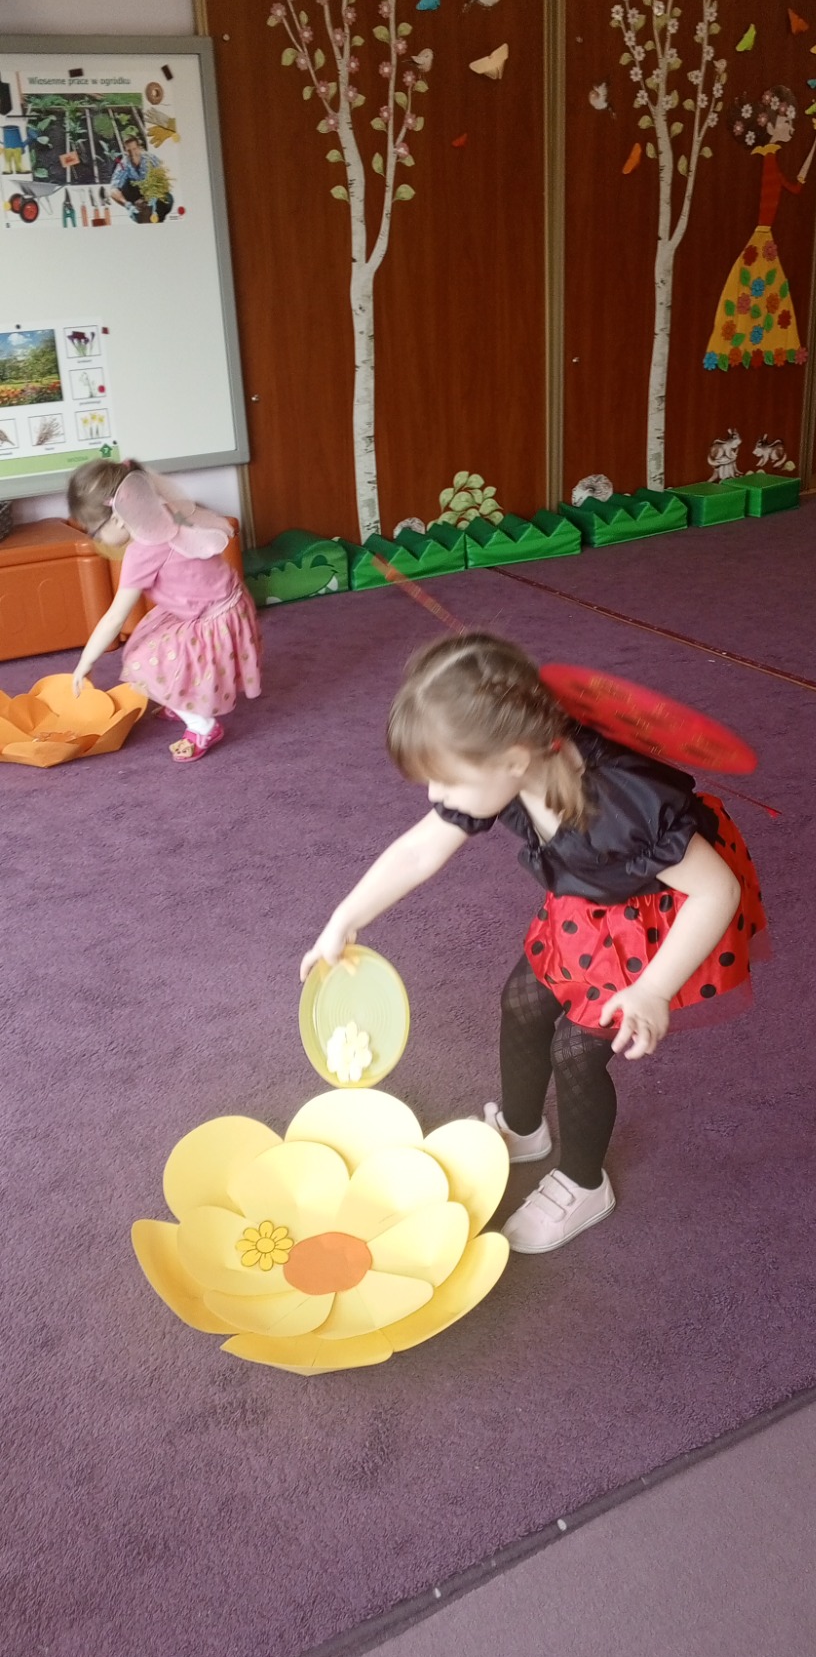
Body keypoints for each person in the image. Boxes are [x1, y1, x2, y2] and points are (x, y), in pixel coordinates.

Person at [300, 633, 766, 1255]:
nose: (436, 797)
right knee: (522, 1002)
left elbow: (717, 890)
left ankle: (583, 1181)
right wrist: (345, 917)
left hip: (659, 921)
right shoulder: (506, 764)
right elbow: (418, 849)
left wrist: (652, 990)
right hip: (588, 903)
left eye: (445, 781)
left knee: (577, 1050)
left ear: (515, 760)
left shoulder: (617, 806)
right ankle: (523, 1130)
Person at [68, 458, 262, 762]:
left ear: (118, 519)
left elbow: (115, 617)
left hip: (213, 618)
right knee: (151, 636)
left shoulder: (142, 552)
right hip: (228, 602)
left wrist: (85, 661)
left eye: (94, 531)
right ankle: (182, 697)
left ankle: (203, 727)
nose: (97, 539)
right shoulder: (166, 511)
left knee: (143, 661)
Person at [704, 85, 816, 371]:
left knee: (761, 289)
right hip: (761, 235)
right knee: (756, 288)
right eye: (786, 122)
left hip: (765, 235)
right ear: (769, 126)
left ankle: (755, 346)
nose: (791, 128)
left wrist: (814, 144)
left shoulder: (772, 159)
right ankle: (747, 346)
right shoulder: (766, 160)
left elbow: (795, 187)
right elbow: (786, 188)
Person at [110, 134, 174, 223]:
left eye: (134, 149)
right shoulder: (123, 164)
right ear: (125, 151)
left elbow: (163, 182)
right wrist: (127, 205)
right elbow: (113, 190)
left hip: (153, 194)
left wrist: (147, 198)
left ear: (139, 148)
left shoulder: (150, 158)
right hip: (136, 198)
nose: (132, 154)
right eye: (129, 151)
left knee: (168, 200)